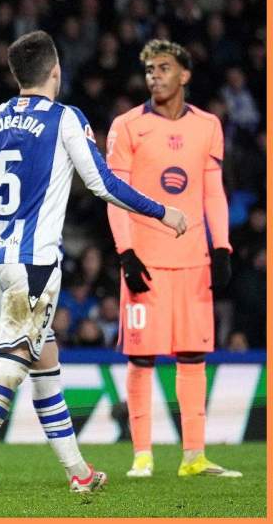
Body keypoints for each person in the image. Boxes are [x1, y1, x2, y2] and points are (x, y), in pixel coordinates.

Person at [0, 31, 187, 495]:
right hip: (34, 261)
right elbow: (102, 183)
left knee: (44, 358)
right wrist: (164, 212)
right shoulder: (64, 118)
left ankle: (78, 472)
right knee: (17, 358)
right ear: (56, 71)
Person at [106, 39, 241, 479]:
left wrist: (221, 247)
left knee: (192, 358)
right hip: (146, 261)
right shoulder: (126, 127)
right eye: (149, 70)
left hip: (193, 264)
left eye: (163, 68)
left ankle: (194, 457)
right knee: (142, 360)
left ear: (184, 74)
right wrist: (126, 253)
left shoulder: (208, 126)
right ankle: (142, 455)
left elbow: (214, 192)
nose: (154, 76)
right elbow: (115, 196)